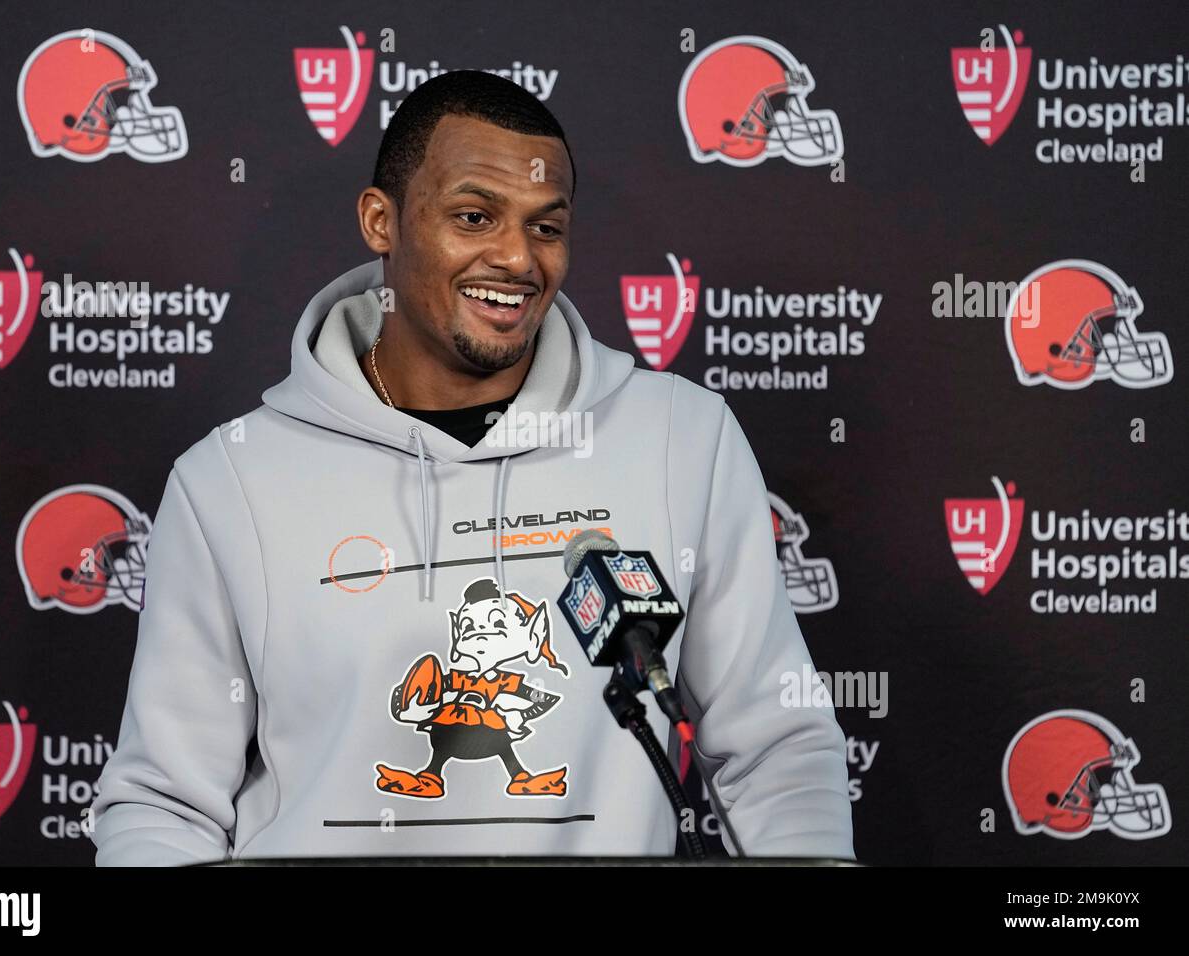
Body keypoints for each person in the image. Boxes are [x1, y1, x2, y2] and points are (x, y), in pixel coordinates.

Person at [89, 70, 855, 864]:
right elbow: (164, 804)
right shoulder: (231, 481)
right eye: (474, 216)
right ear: (381, 221)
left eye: (546, 228)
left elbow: (776, 744)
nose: (518, 257)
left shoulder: (682, 438)